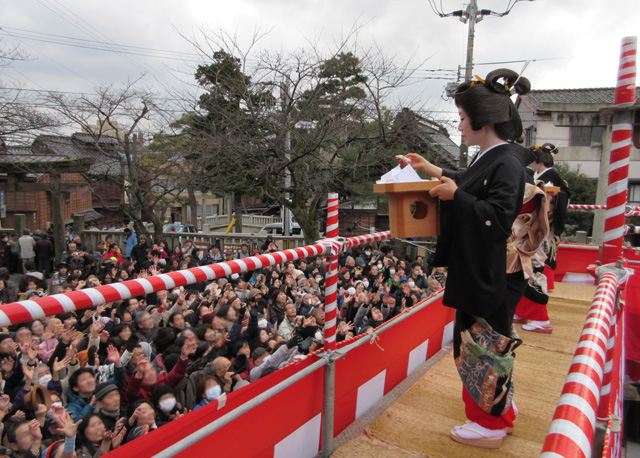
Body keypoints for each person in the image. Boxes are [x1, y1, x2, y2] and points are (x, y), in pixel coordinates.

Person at [399, 68, 531, 449]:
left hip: (487, 272)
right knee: (488, 341)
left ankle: (488, 424)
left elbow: (498, 218)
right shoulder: (496, 156)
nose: (458, 125)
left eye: (460, 117)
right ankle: (500, 411)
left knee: (480, 345)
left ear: (483, 120)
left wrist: (457, 195)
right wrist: (431, 169)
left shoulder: (505, 162)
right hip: (485, 270)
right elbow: (469, 182)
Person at [529, 143, 570, 293]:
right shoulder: (539, 175)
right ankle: (537, 283)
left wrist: (555, 196)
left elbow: (564, 194)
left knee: (541, 251)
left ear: (539, 161)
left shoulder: (553, 176)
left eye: (533, 161)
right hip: (536, 217)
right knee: (537, 250)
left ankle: (538, 286)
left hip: (547, 218)